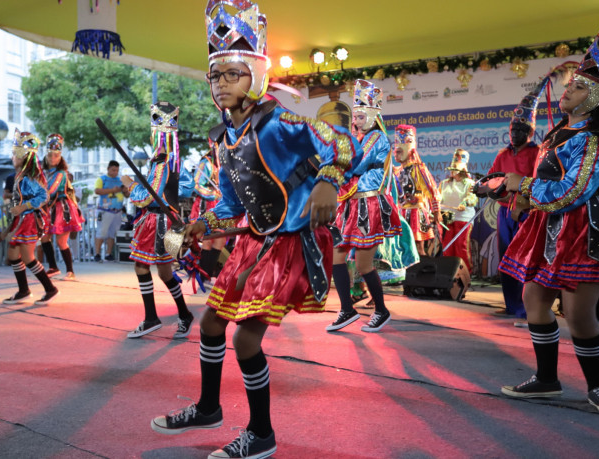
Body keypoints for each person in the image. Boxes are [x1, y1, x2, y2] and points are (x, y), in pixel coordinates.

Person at [150, 2, 356, 457]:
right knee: (209, 322)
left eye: (232, 74)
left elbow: (341, 143)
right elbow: (229, 203)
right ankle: (208, 407)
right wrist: (201, 224)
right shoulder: (226, 138)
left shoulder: (281, 121)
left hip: (288, 244)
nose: (221, 85)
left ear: (257, 75)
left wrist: (327, 180)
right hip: (254, 242)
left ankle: (261, 434)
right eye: (215, 77)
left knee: (245, 337)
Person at [498, 31, 599, 413]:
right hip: (549, 226)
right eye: (569, 85)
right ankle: (547, 379)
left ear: (596, 97)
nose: (567, 90)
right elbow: (547, 180)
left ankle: (597, 387)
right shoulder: (557, 134)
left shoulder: (594, 140)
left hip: (583, 229)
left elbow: (574, 190)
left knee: (578, 314)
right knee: (533, 299)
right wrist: (516, 194)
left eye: (577, 86)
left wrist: (523, 185)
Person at [327, 79, 402, 333]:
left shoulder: (376, 138)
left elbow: (355, 164)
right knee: (336, 257)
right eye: (355, 117)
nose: (356, 121)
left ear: (371, 116)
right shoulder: (358, 138)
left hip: (368, 204)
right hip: (349, 204)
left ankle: (381, 310)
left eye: (360, 116)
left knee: (362, 265)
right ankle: (347, 309)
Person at [124, 102, 194, 339]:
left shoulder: (163, 159)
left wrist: (132, 187)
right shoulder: (173, 159)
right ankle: (184, 315)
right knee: (165, 273)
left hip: (157, 223)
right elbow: (187, 186)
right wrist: (168, 192)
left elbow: (146, 197)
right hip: (169, 219)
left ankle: (151, 318)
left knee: (141, 266)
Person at [488, 76, 545, 320]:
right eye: (512, 129)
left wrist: (522, 198)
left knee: (525, 259)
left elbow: (540, 183)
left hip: (527, 212)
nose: (515, 133)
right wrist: (487, 188)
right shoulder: (503, 153)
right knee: (506, 259)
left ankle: (526, 308)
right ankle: (512, 305)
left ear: (531, 131)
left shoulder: (538, 153)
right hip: (504, 212)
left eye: (521, 129)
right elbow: (493, 179)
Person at [2, 130, 58, 305]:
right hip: (22, 219)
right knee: (13, 253)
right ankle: (24, 290)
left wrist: (23, 207)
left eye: (15, 153)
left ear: (24, 156)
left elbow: (43, 197)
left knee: (27, 256)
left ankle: (50, 288)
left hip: (30, 219)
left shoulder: (30, 175)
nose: (12, 157)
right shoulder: (20, 175)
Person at [40, 134, 83, 280]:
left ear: (60, 157)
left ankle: (70, 271)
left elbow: (51, 191)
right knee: (44, 237)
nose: (53, 158)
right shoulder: (44, 173)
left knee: (61, 241)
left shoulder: (61, 173)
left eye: (56, 155)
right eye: (50, 155)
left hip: (61, 209)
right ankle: (53, 267)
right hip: (49, 208)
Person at [395, 125, 440, 257]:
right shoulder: (396, 171)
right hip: (401, 213)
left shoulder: (418, 169)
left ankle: (422, 275)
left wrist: (436, 211)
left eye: (406, 142)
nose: (397, 151)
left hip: (415, 212)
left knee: (418, 249)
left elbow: (432, 190)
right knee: (402, 248)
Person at [439, 149, 478, 272]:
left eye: (455, 169)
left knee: (461, 246)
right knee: (448, 246)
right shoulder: (444, 183)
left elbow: (472, 197)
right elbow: (438, 196)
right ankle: (448, 272)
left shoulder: (470, 183)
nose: (452, 172)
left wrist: (465, 202)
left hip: (463, 219)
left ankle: (465, 273)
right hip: (448, 218)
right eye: (451, 169)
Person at [191, 140, 225, 278]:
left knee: (220, 240)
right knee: (207, 240)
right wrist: (214, 193)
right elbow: (197, 185)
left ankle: (207, 273)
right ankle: (202, 274)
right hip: (206, 206)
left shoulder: (226, 163)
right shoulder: (206, 163)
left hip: (221, 206)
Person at [94, 160, 126, 262]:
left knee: (113, 233)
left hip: (117, 210)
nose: (115, 172)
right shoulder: (102, 179)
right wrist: (113, 190)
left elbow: (127, 195)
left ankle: (109, 254)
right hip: (105, 209)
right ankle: (97, 254)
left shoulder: (120, 180)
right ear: (108, 169)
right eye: (113, 170)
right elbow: (97, 190)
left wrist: (126, 191)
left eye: (117, 170)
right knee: (101, 232)